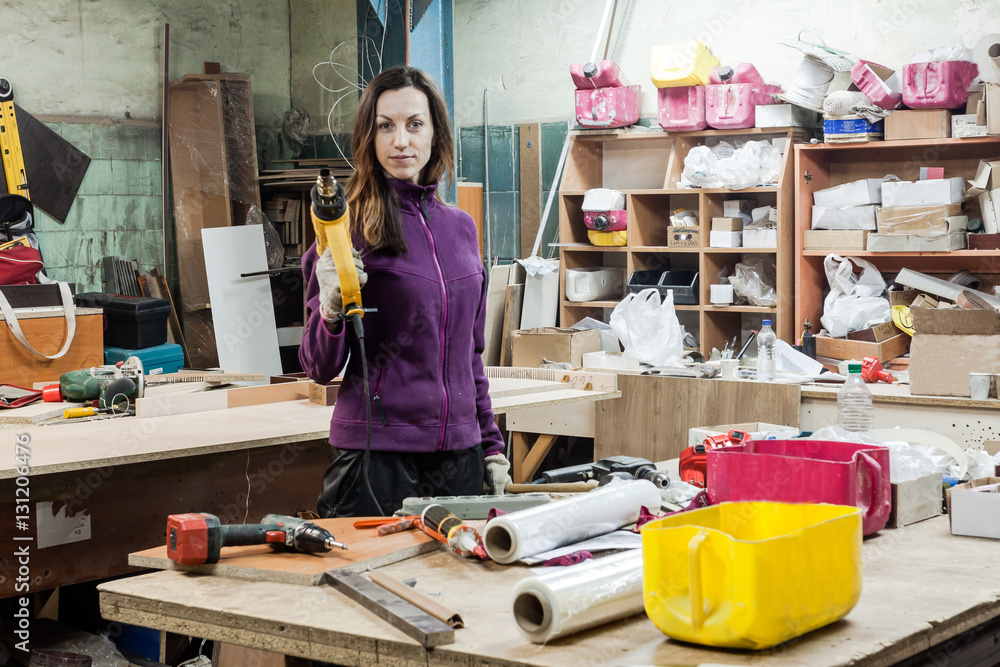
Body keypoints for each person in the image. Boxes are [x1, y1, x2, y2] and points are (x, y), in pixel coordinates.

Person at [299, 66, 512, 518]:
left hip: (459, 455)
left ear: (435, 133)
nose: (401, 141)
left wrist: (491, 447)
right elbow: (318, 367)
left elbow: (470, 356)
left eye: (415, 124)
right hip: (376, 458)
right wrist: (330, 310)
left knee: (458, 567)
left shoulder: (461, 228)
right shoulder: (346, 229)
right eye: (385, 126)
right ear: (369, 137)